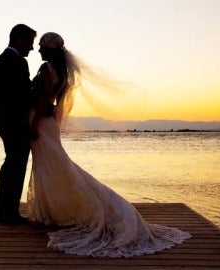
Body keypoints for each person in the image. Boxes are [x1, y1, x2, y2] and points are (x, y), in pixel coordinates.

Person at [27, 32, 191, 257]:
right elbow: (57, 104)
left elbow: (45, 97)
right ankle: (53, 211)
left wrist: (34, 124)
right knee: (52, 166)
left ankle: (69, 209)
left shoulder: (47, 69)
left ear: (49, 48)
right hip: (48, 123)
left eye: (42, 46)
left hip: (41, 123)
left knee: (54, 166)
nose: (38, 50)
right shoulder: (63, 73)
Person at [0, 24, 36, 224]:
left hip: (5, 120)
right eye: (30, 42)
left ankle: (3, 208)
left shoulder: (0, 61)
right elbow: (23, 94)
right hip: (15, 122)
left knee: (11, 163)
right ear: (19, 39)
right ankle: (9, 213)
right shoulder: (15, 62)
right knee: (16, 165)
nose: (32, 48)